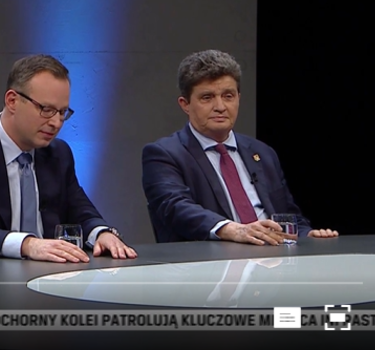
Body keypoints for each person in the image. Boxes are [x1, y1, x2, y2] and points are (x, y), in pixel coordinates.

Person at [0, 54, 136, 262]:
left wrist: (101, 233)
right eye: (47, 109)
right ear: (12, 101)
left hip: (46, 276)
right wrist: (28, 245)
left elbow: (80, 210)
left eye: (62, 112)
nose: (56, 123)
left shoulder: (58, 153)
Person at [142, 49, 338, 245]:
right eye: (207, 97)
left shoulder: (263, 153)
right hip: (211, 261)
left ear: (238, 98)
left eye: (228, 96)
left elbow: (288, 214)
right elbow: (175, 208)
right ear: (185, 104)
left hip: (274, 258)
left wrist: (307, 235)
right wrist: (234, 230)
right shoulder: (164, 154)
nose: (220, 107)